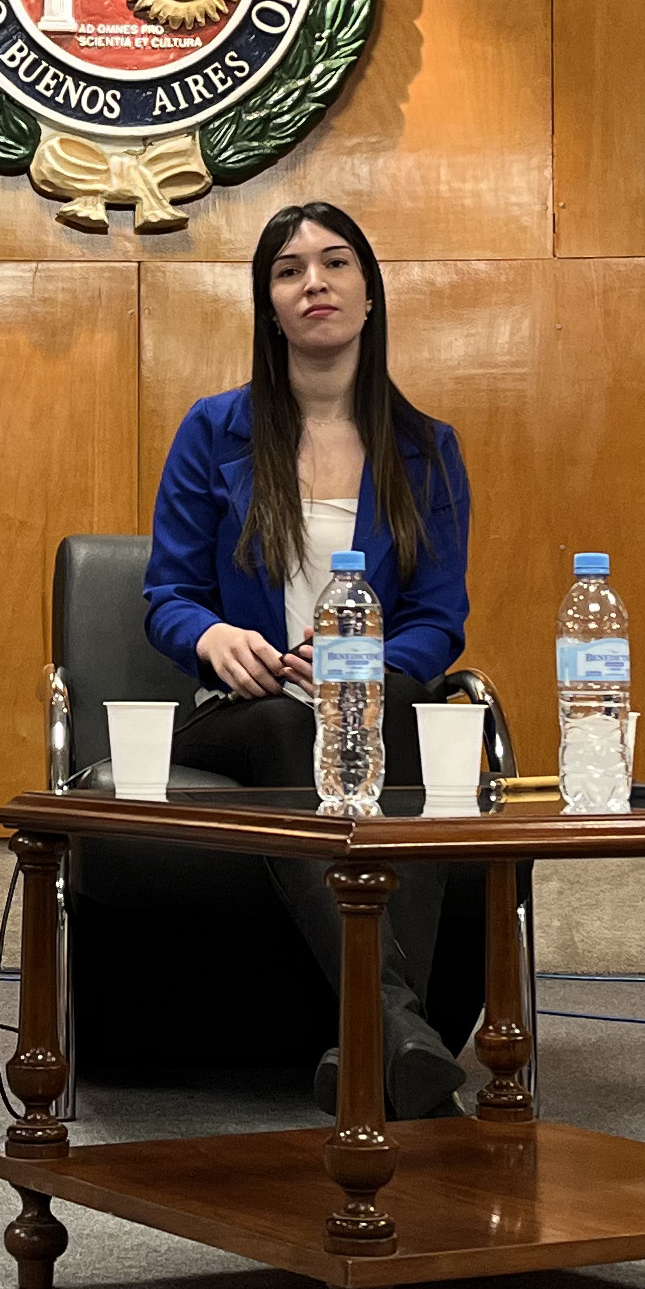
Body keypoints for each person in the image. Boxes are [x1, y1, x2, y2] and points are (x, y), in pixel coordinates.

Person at [143, 199, 476, 1119]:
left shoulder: (427, 450)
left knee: (401, 728)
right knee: (301, 725)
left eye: (335, 265)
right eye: (289, 272)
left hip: (374, 699)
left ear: (369, 295)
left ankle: (379, 1042)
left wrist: (358, 665)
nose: (313, 284)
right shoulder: (214, 433)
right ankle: (398, 1022)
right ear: (270, 305)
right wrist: (213, 637)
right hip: (248, 708)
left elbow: (441, 621)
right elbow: (166, 596)